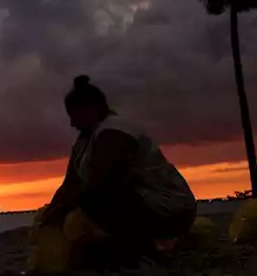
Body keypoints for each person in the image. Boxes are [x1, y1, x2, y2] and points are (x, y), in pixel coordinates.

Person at [44, 76, 196, 266]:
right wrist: (50, 213)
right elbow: (70, 184)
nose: (72, 124)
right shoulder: (84, 143)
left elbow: (101, 182)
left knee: (98, 196)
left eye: (74, 116)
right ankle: (131, 247)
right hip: (140, 205)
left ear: (90, 109)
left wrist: (65, 209)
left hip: (169, 207)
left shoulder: (115, 131)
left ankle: (144, 251)